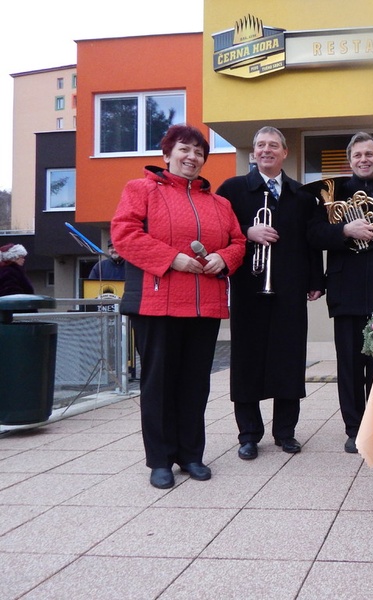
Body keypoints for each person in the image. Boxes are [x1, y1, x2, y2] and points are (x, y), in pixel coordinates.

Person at [111, 124, 246, 490]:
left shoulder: (219, 204)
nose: (192, 157)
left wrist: (224, 258)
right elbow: (124, 235)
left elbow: (238, 241)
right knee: (159, 385)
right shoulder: (140, 189)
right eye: (184, 149)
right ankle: (160, 460)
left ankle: (190, 455)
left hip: (205, 307)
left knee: (195, 385)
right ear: (167, 154)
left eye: (199, 152)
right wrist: (172, 259)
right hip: (157, 305)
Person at [216, 126, 325, 460]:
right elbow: (217, 229)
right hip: (249, 287)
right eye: (261, 145)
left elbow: (312, 241)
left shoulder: (301, 195)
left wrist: (316, 280)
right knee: (247, 360)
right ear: (253, 153)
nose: (266, 150)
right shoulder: (232, 189)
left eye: (273, 145)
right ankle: (249, 434)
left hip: (290, 288)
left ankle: (285, 432)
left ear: (284, 152)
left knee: (289, 359)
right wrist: (247, 231)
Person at [307, 132, 373, 453]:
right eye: (357, 155)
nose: (363, 160)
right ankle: (355, 428)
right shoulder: (334, 195)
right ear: (350, 160)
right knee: (349, 364)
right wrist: (345, 229)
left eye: (369, 154)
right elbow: (314, 234)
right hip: (345, 288)